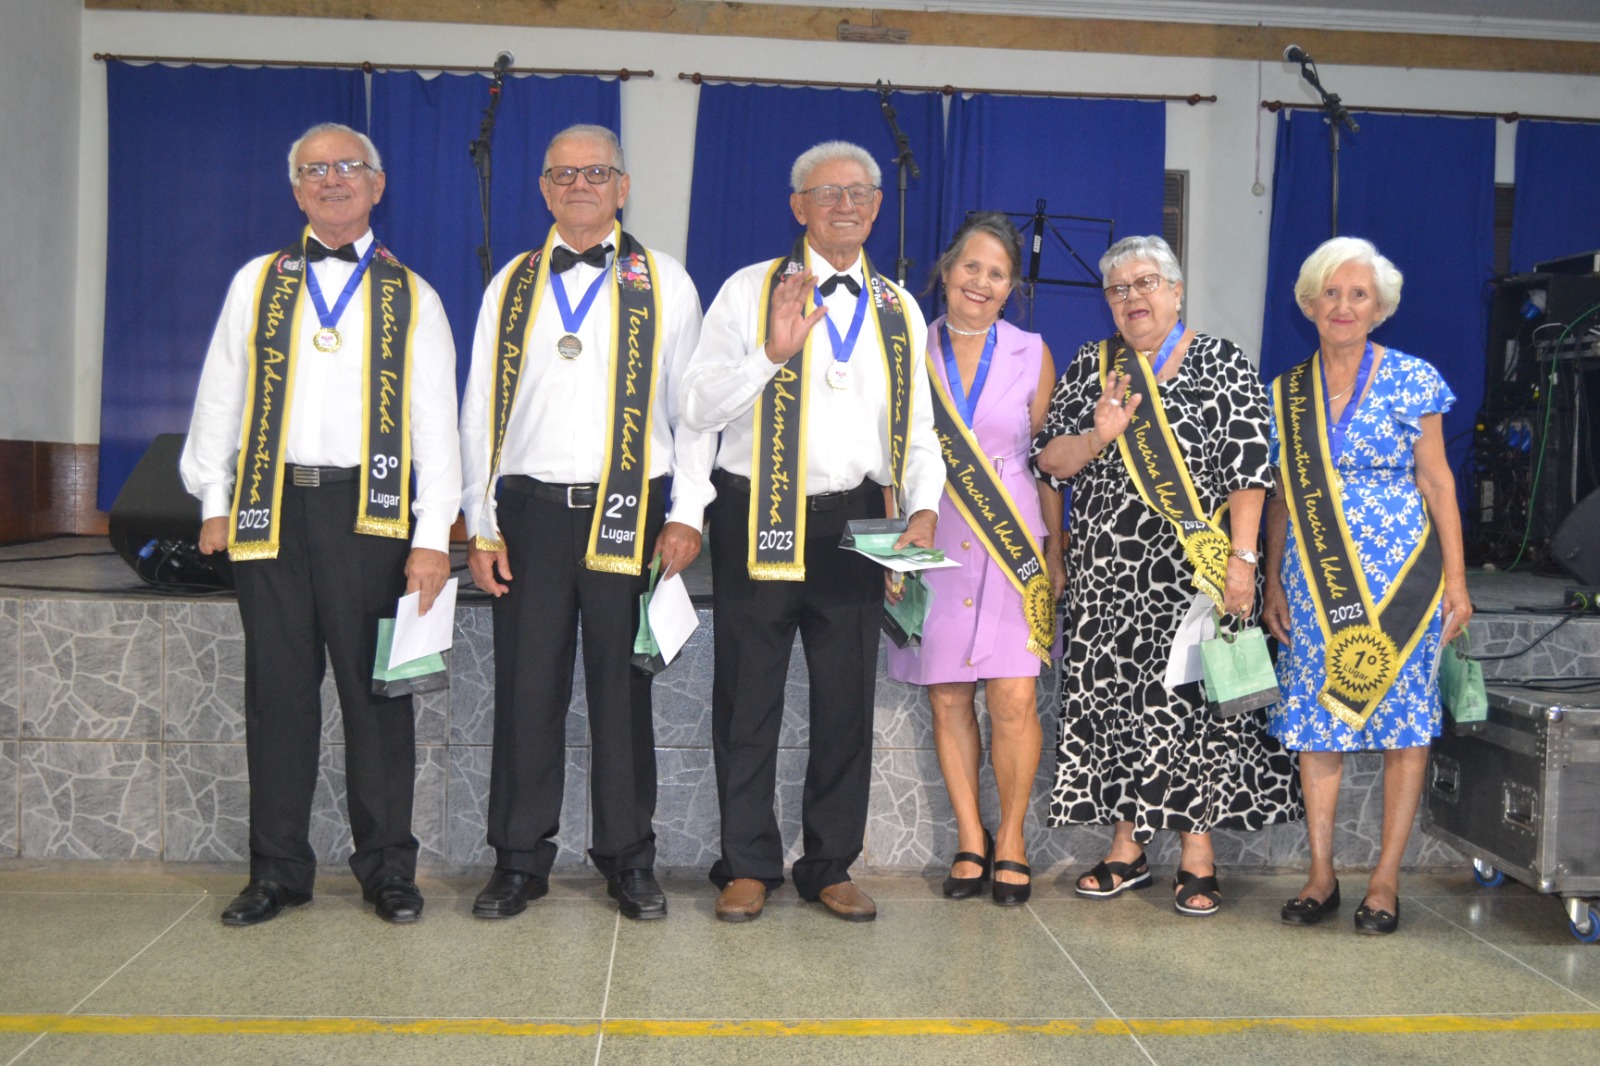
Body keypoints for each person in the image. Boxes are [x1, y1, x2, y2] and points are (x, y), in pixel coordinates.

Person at [182, 123, 460, 926]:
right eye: (314, 170)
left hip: (371, 515)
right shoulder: (255, 283)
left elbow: (435, 428)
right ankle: (277, 870)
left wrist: (433, 537)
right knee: (276, 697)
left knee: (379, 698)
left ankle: (387, 868)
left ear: (378, 184)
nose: (332, 180)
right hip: (269, 512)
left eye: (347, 167)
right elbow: (220, 397)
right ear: (296, 189)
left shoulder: (414, 294)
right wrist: (212, 500)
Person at [681, 141, 943, 923]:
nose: (846, 205)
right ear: (797, 206)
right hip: (758, 511)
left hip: (860, 523)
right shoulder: (746, 291)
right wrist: (771, 351)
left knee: (843, 704)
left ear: (877, 205)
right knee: (748, 701)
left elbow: (920, 431)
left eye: (860, 192)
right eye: (827, 192)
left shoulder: (898, 305)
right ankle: (747, 862)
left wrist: (923, 508)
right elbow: (697, 407)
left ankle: (829, 863)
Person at [460, 125, 714, 922]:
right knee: (525, 693)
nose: (580, 185)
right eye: (564, 173)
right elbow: (478, 412)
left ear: (622, 186)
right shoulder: (512, 281)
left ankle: (628, 859)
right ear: (543, 188)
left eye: (596, 172)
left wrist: (688, 512)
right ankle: (518, 859)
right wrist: (479, 521)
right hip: (528, 515)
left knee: (621, 693)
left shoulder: (666, 281)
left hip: (628, 513)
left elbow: (695, 412)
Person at [1032, 235, 1300, 917]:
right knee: (1119, 707)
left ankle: (1198, 853)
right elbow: (1051, 464)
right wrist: (1100, 434)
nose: (1132, 299)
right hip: (1108, 577)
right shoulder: (1094, 367)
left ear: (1177, 292)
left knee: (1194, 711)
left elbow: (1249, 471)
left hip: (1197, 578)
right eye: (1118, 289)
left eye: (1146, 283)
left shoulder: (1219, 361)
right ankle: (1126, 847)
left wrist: (1243, 564)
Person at [1263, 236, 1470, 936]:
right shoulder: (1285, 394)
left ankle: (1384, 880)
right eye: (1331, 292)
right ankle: (1321, 874)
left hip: (1404, 586)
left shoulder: (1416, 379)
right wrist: (1273, 583)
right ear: (1309, 303)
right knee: (1319, 727)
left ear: (1379, 308)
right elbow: (1282, 499)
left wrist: (1459, 583)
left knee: (1403, 732)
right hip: (1314, 584)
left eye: (1358, 295)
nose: (1343, 305)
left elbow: (1439, 482)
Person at [885, 213, 1063, 906]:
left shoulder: (1031, 351)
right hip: (930, 533)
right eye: (971, 268)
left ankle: (1011, 838)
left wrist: (1055, 550)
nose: (981, 283)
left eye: (997, 274)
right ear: (946, 270)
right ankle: (969, 837)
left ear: (1010, 286)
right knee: (949, 696)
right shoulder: (907, 343)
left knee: (1015, 696)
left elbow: (1047, 462)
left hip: (1010, 535)